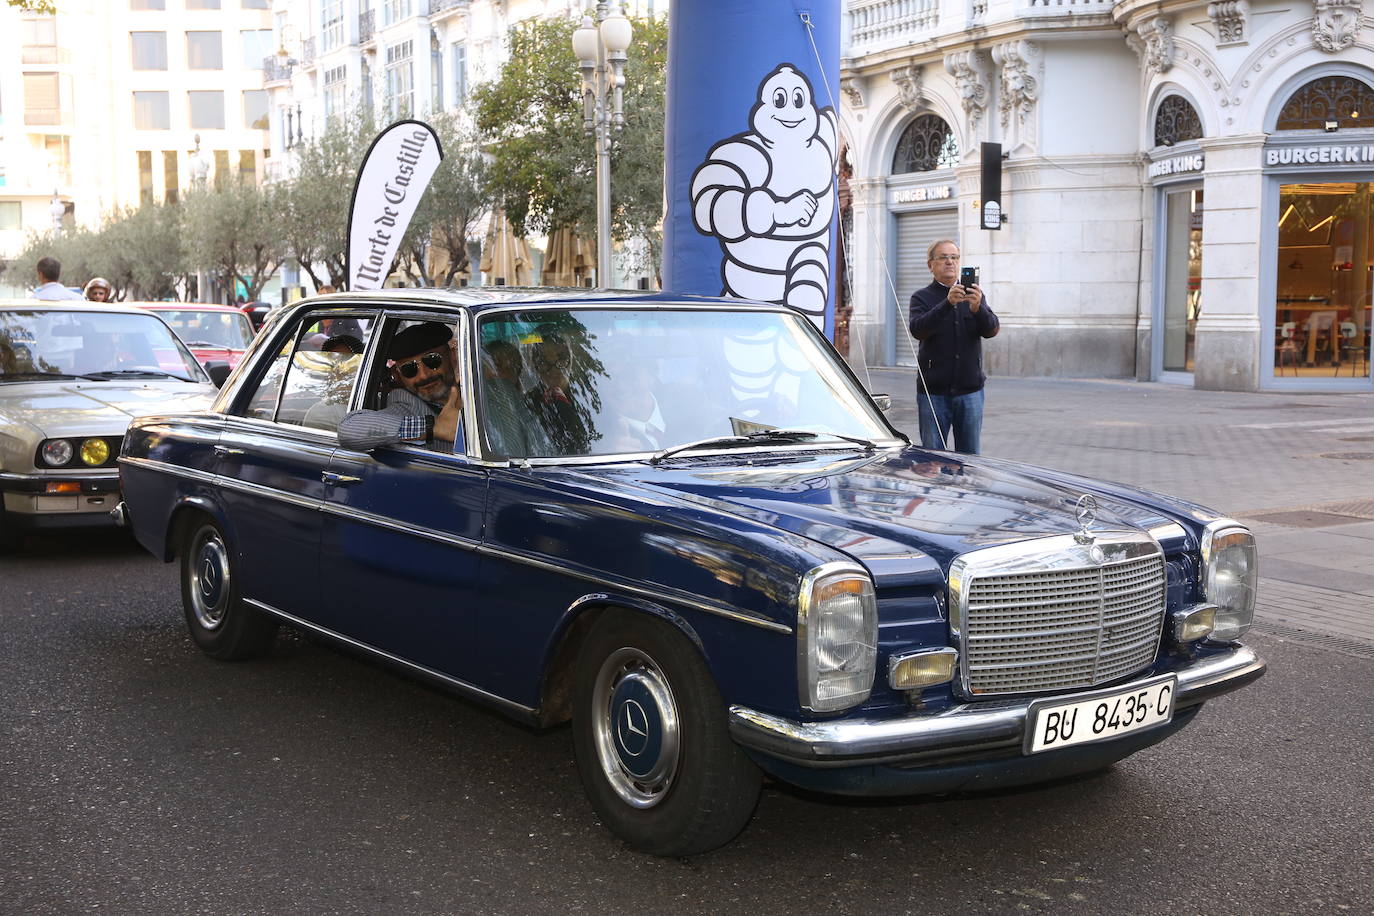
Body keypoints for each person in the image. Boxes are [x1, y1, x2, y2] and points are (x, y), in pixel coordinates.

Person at [908, 238, 999, 455]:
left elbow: (991, 330)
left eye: (954, 257)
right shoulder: (921, 297)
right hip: (933, 394)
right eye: (943, 257)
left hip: (970, 392)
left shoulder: (975, 295)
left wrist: (978, 309)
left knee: (970, 460)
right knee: (932, 459)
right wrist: (947, 303)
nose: (950, 262)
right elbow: (918, 330)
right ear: (931, 265)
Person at [337, 322, 463, 453]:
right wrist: (433, 427)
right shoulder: (406, 408)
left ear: (453, 356)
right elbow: (349, 428)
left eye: (432, 360)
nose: (423, 376)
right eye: (409, 369)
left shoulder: (473, 390)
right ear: (397, 375)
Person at [525, 332, 592, 454]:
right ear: (535, 366)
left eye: (561, 360)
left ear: (570, 362)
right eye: (543, 362)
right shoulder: (528, 402)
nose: (554, 370)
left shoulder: (587, 398)